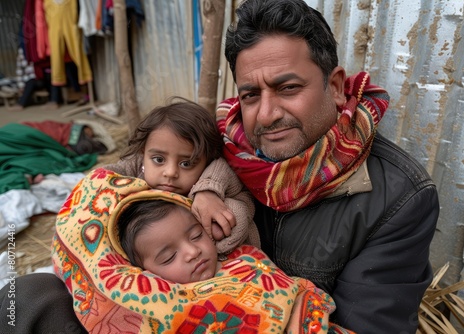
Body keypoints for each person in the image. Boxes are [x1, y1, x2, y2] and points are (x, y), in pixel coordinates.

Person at [189, 0, 439, 333]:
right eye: (250, 95)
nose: (266, 115)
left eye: (288, 88)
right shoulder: (216, 152)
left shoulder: (399, 198)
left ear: (334, 87)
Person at [51, 168, 352, 333]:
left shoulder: (243, 259)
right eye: (168, 257)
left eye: (196, 235)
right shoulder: (156, 303)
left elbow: (289, 289)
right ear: (142, 274)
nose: (192, 252)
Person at [103, 96, 260, 254]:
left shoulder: (215, 198)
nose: (170, 172)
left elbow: (237, 213)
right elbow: (101, 177)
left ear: (207, 163)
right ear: (143, 154)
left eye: (186, 163)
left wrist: (208, 193)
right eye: (159, 160)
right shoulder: (136, 169)